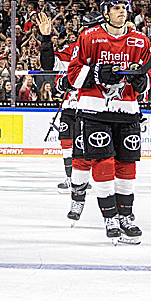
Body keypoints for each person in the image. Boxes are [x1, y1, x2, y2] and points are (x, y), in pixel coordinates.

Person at [65, 0, 151, 244]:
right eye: (116, 8)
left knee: (127, 166)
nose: (122, 11)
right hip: (94, 110)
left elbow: (146, 78)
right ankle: (110, 217)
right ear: (106, 12)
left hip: (127, 110)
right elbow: (73, 76)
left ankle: (127, 216)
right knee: (102, 163)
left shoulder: (140, 40)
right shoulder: (89, 37)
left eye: (124, 7)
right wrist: (95, 72)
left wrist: (141, 81)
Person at [40, 10, 104, 192]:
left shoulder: (111, 49)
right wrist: (46, 39)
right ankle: (71, 178)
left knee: (91, 145)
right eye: (88, 28)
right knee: (67, 143)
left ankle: (94, 178)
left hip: (95, 106)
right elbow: (49, 65)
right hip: (71, 105)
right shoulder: (74, 48)